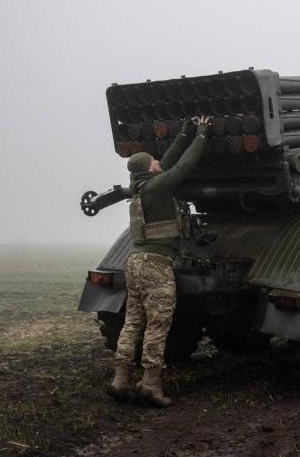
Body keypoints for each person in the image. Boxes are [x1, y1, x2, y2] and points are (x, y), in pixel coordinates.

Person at [108, 116, 210, 407]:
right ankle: (150, 384)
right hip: (155, 265)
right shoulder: (158, 187)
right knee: (157, 325)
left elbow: (169, 160)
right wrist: (201, 135)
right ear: (147, 168)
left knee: (132, 323)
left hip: (136, 263)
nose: (158, 162)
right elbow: (182, 166)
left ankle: (120, 379)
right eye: (154, 160)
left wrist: (184, 131)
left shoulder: (141, 189)